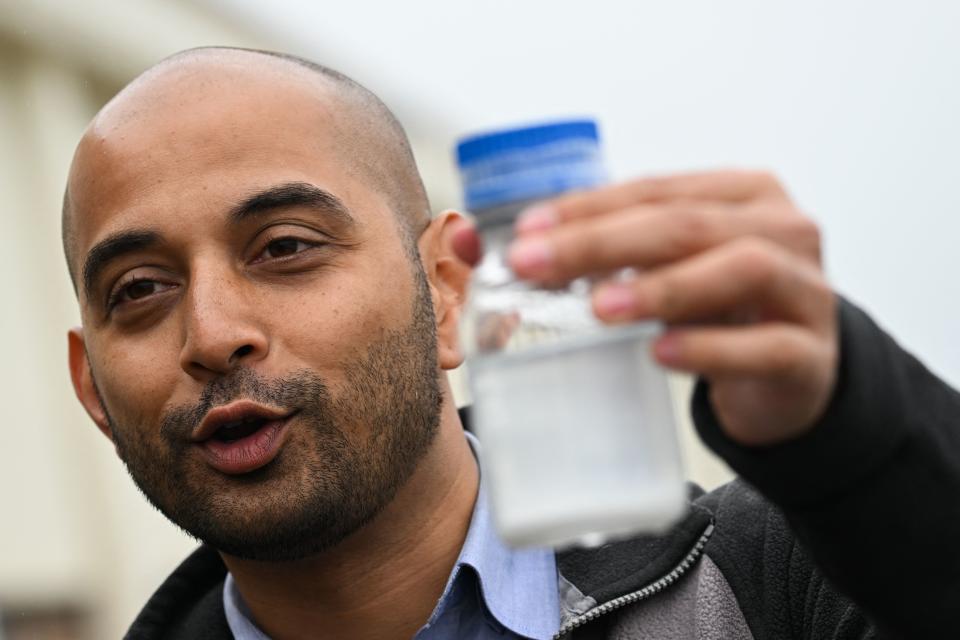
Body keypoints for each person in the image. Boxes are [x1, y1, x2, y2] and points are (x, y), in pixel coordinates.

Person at [60, 47, 959, 640]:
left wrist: (856, 436)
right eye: (139, 291)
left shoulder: (775, 585)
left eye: (286, 247)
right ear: (93, 390)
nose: (213, 334)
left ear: (447, 293)